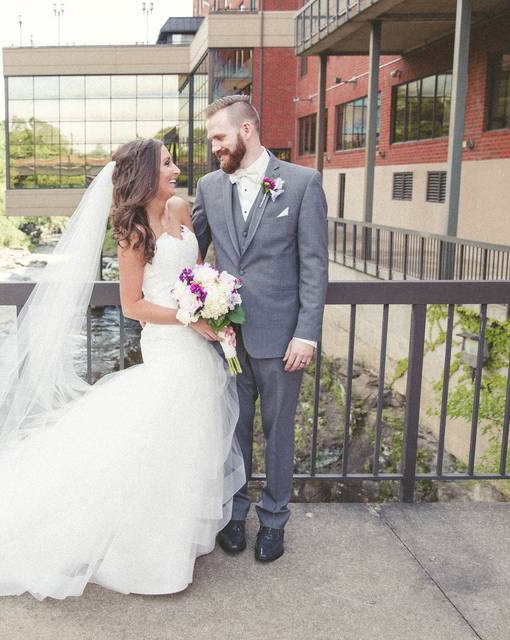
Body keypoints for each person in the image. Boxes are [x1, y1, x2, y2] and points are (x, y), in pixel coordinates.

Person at [0, 139, 246, 600]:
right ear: (144, 174)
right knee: (156, 435)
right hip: (168, 342)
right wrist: (190, 317)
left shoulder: (180, 209)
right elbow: (132, 304)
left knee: (187, 439)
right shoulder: (133, 234)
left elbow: (194, 272)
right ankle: (139, 551)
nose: (176, 169)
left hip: (198, 343)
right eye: (166, 164)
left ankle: (172, 540)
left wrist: (211, 301)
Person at [192, 95, 328, 563]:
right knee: (233, 430)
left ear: (246, 131)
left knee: (278, 433)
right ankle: (235, 514)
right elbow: (191, 252)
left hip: (282, 339)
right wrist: (197, 307)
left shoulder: (303, 184)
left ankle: (274, 522)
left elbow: (314, 266)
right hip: (227, 338)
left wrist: (306, 334)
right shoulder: (210, 186)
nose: (214, 147)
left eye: (219, 137)